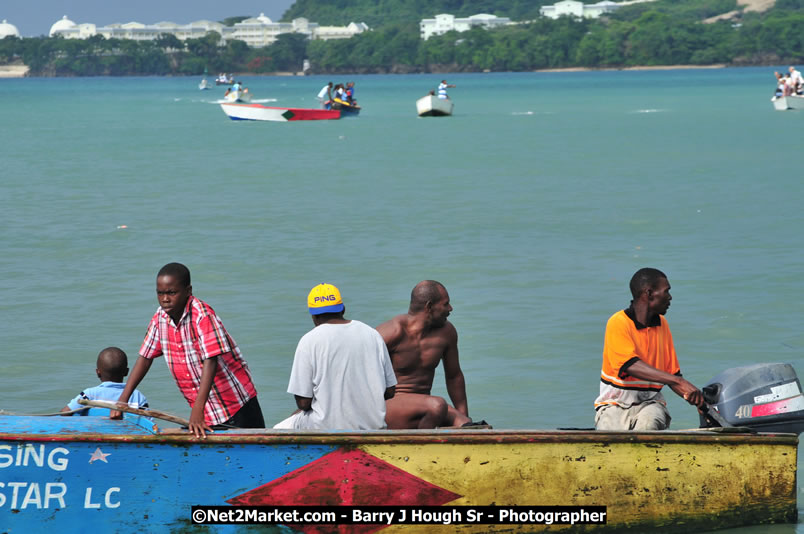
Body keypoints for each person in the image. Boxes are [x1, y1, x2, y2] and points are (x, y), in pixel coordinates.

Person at [110, 263, 264, 438]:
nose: (165, 299)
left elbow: (210, 361)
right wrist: (123, 400)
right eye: (160, 293)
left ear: (188, 291)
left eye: (172, 293)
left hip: (236, 404)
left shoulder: (202, 315)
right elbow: (145, 357)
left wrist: (198, 410)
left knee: (250, 455)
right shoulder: (160, 317)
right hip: (206, 411)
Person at [274, 283, 396, 430]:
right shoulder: (372, 334)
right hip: (373, 427)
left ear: (313, 316)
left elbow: (303, 403)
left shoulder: (309, 340)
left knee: (279, 428)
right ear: (343, 309)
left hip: (324, 428)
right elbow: (390, 391)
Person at [594, 268, 704, 431]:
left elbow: (672, 374)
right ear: (649, 293)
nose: (670, 297)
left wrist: (697, 400)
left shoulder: (662, 325)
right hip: (614, 404)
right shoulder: (618, 323)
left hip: (650, 404)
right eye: (666, 291)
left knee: (649, 422)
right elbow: (630, 366)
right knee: (610, 434)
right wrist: (679, 382)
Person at [377, 281, 472, 429]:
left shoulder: (447, 332)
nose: (450, 309)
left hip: (425, 405)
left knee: (467, 425)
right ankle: (417, 447)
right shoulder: (391, 332)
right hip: (390, 406)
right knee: (437, 405)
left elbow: (454, 377)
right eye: (445, 304)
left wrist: (465, 419)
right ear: (429, 306)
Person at [61, 347, 148, 416]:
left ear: (98, 373)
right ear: (126, 372)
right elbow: (150, 424)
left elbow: (64, 413)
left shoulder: (89, 394)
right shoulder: (138, 396)